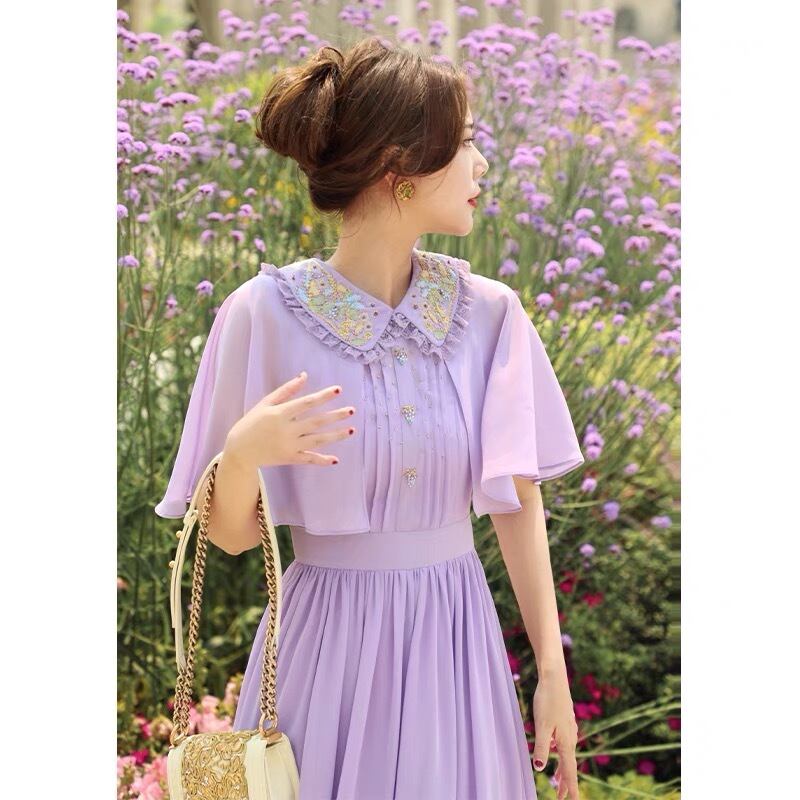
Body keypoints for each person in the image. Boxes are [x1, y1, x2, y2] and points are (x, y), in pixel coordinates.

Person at [155, 35, 585, 800]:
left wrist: (552, 671)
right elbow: (229, 536)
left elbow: (518, 500)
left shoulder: (491, 316)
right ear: (399, 167)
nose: (483, 164)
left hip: (455, 645)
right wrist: (242, 455)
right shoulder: (261, 315)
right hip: (325, 655)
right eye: (466, 143)